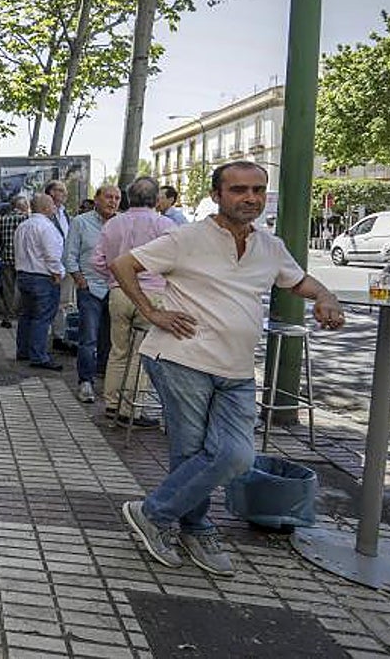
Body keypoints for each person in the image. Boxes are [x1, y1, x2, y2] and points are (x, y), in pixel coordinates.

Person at [112, 161, 344, 577]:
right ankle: (196, 528)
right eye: (238, 190)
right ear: (217, 195)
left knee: (235, 455)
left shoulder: (269, 246)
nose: (249, 198)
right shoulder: (186, 237)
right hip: (182, 358)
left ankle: (153, 513)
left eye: (257, 189)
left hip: (236, 369)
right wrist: (152, 312)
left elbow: (296, 281)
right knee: (191, 452)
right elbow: (123, 265)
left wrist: (325, 295)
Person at [94, 177, 177, 427]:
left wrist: (114, 277)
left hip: (119, 292)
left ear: (129, 197)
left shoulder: (112, 224)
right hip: (151, 294)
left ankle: (111, 403)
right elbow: (177, 261)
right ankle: (129, 409)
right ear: (156, 199)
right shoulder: (165, 225)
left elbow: (97, 260)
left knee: (118, 350)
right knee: (141, 353)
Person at [63, 185, 122, 403]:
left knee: (111, 339)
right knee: (88, 338)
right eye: (108, 197)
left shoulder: (122, 223)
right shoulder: (80, 222)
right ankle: (85, 382)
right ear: (96, 199)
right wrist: (80, 280)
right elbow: (69, 255)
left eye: (117, 198)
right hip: (90, 289)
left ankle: (106, 379)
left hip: (116, 289)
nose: (113, 201)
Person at [14, 193, 64, 370]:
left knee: (26, 315)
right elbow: (52, 255)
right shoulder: (46, 227)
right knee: (42, 317)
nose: (55, 207)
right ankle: (38, 355)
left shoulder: (23, 226)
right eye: (52, 204)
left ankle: (23, 350)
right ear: (45, 207)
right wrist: (58, 273)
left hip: (23, 275)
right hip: (42, 276)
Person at [44, 180, 75, 350]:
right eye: (61, 190)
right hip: (51, 265)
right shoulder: (46, 214)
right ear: (51, 193)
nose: (65, 193)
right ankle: (51, 336)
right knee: (49, 302)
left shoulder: (65, 214)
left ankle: (60, 336)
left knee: (64, 302)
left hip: (66, 263)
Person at [0, 195, 30, 329]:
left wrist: (3, 253)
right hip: (23, 261)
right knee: (22, 289)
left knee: (8, 289)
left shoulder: (4, 219)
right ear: (22, 206)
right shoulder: (26, 219)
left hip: (7, 260)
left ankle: (7, 317)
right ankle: (21, 315)